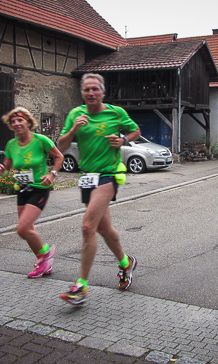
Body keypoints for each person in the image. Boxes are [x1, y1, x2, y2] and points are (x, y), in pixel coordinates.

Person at [58, 73, 141, 305]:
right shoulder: (75, 114)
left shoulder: (115, 113)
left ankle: (81, 287)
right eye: (87, 89)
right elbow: (61, 146)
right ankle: (126, 263)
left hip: (108, 175)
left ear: (103, 92)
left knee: (88, 226)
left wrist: (123, 140)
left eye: (95, 89)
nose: (91, 93)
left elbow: (136, 131)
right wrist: (74, 129)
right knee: (104, 229)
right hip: (87, 177)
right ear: (82, 93)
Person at [0, 107, 64, 279]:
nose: (16, 124)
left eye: (20, 120)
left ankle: (45, 255)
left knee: (22, 229)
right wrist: (2, 170)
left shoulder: (40, 140)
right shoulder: (11, 145)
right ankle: (44, 263)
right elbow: (7, 167)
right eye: (13, 121)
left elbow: (59, 157)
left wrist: (52, 175)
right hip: (23, 189)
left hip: (39, 188)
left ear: (28, 122)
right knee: (27, 230)